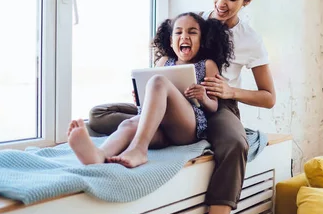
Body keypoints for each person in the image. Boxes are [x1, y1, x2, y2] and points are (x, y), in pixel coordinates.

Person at [88, 0, 276, 214]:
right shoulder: (195, 22)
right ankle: (147, 128)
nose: (221, 3)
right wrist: (148, 84)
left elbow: (268, 96)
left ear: (248, 0)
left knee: (234, 145)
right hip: (172, 96)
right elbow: (167, 59)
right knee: (99, 114)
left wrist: (230, 90)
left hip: (217, 103)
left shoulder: (250, 40)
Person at [67, 12, 233, 168]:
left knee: (158, 81)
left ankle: (139, 149)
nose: (184, 36)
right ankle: (98, 154)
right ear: (170, 41)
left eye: (192, 32)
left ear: (202, 39)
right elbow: (152, 96)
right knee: (129, 124)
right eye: (178, 32)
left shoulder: (207, 65)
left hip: (187, 129)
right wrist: (141, 97)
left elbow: (214, 107)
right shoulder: (164, 61)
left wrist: (203, 97)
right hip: (160, 129)